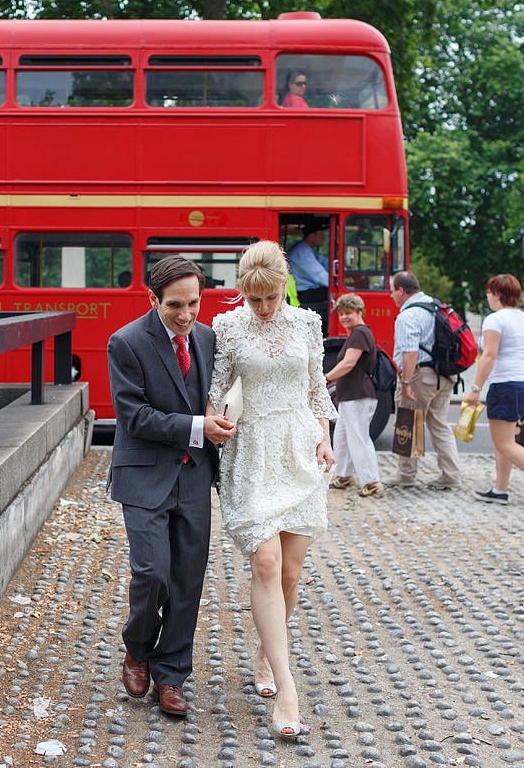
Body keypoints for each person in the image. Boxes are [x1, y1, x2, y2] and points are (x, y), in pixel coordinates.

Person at [209, 240, 336, 740]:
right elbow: (218, 387)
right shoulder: (228, 326)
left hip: (300, 448)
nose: (261, 309)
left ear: (285, 285)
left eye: (270, 297)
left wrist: (325, 438)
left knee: (290, 571)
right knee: (264, 562)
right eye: (253, 298)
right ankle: (288, 689)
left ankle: (267, 652)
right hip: (253, 453)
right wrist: (215, 421)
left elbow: (315, 387)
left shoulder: (307, 324)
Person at [107, 256, 237, 718]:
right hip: (143, 475)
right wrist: (200, 426)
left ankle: (171, 675)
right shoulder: (125, 342)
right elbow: (134, 417)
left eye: (194, 304)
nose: (186, 316)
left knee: (187, 581)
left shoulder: (207, 338)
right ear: (152, 299)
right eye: (175, 306)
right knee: (152, 572)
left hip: (194, 475)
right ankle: (138, 647)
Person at [465, 274, 524, 512]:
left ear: (497, 294)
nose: (487, 296)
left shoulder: (494, 320)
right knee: (505, 441)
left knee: (504, 443)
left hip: (505, 385)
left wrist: (476, 388)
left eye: (488, 292)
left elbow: (489, 355)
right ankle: (500, 489)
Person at [387, 271, 461, 488]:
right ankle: (451, 474)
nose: (391, 296)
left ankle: (406, 475)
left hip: (420, 376)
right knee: (439, 425)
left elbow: (410, 353)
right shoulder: (436, 306)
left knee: (408, 423)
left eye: (392, 291)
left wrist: (406, 382)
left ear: (401, 291)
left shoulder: (407, 315)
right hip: (445, 375)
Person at [323, 293, 383, 497]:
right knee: (341, 436)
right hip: (351, 395)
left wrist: (326, 378)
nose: (343, 317)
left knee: (358, 437)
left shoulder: (359, 333)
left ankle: (372, 481)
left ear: (359, 313)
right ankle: (343, 475)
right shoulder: (359, 333)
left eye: (348, 313)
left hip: (358, 394)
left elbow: (349, 363)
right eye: (341, 314)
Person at [286, 217, 331, 337]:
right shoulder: (301, 252)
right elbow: (320, 276)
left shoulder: (307, 249)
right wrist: (338, 285)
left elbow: (325, 263)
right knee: (332, 293)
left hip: (310, 291)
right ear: (313, 235)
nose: (324, 238)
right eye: (322, 234)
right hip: (304, 293)